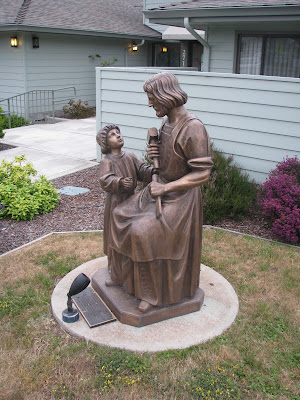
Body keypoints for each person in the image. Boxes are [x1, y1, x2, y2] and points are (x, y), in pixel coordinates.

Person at [108, 72, 213, 313]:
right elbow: (164, 162)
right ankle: (124, 277)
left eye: (152, 98)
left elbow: (202, 174)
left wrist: (165, 188)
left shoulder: (193, 128)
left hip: (180, 198)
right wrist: (154, 152)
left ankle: (153, 295)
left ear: (166, 96)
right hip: (159, 188)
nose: (149, 103)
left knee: (142, 230)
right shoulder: (166, 122)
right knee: (120, 214)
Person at [97, 124, 153, 284]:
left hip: (132, 203)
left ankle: (131, 272)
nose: (118, 136)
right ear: (106, 144)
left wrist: (153, 170)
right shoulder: (107, 161)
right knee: (116, 240)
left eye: (118, 133)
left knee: (130, 238)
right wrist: (120, 182)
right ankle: (116, 275)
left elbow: (142, 170)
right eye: (112, 135)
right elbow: (104, 180)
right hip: (115, 204)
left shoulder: (129, 156)